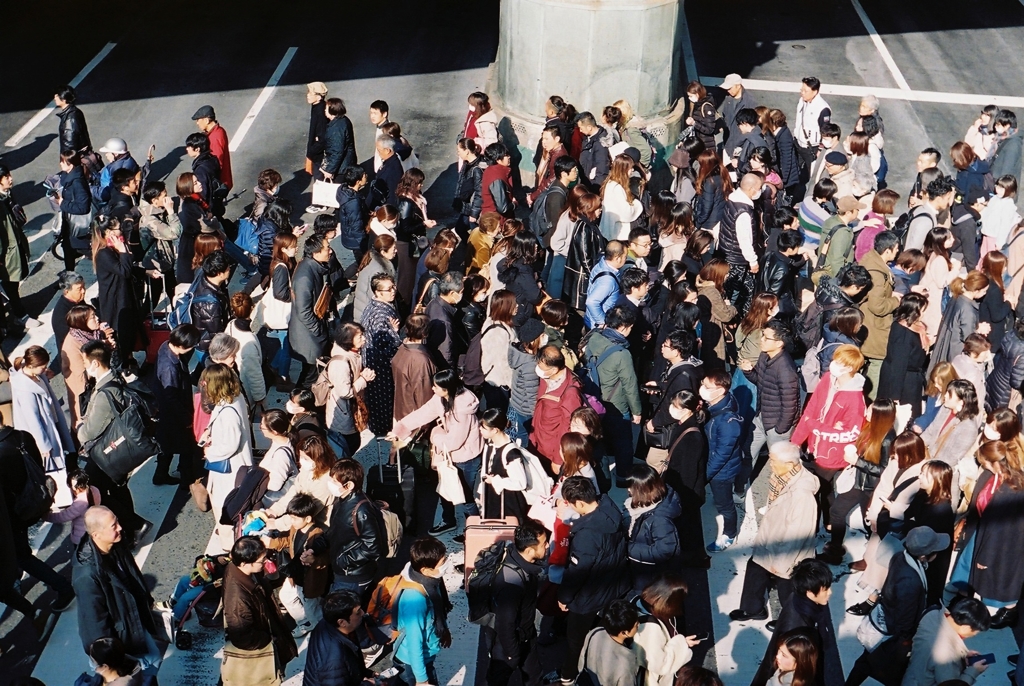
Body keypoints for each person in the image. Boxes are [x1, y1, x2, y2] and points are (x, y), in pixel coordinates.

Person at [845, 526, 950, 686]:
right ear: (923, 555)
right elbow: (905, 616)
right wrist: (906, 641)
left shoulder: (900, 557)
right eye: (935, 549)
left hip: (885, 621)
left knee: (867, 661)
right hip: (892, 633)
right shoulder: (909, 581)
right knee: (892, 672)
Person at [730, 442, 819, 622]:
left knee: (788, 586)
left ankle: (792, 621)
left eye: (773, 461)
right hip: (772, 538)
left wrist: (780, 563)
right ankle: (753, 608)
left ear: (789, 464)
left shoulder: (802, 495)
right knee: (755, 568)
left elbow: (798, 533)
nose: (770, 465)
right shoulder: (783, 476)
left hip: (786, 550)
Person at [389, 369, 483, 537]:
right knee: (445, 488)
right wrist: (399, 430)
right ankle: (449, 520)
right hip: (450, 454)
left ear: (447, 389)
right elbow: (423, 413)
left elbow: (454, 442)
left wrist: (435, 435)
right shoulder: (442, 398)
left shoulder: (462, 410)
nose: (433, 389)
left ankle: (473, 530)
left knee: (466, 496)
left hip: (466, 457)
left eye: (436, 387)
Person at [557, 476, 631, 683]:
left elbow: (577, 573)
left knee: (575, 641)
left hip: (589, 598)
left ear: (579, 503)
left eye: (571, 503)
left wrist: (564, 597)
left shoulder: (586, 535)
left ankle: (568, 676)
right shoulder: (610, 509)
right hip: (615, 587)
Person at [73, 507, 162, 673]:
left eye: (117, 522)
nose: (120, 527)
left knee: (154, 661)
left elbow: (133, 574)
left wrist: (146, 600)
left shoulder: (115, 544)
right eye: (113, 526)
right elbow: (94, 622)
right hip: (117, 642)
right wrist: (112, 659)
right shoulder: (87, 576)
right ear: (96, 535)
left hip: (130, 624)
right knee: (149, 667)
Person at [77, 341, 149, 536]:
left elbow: (90, 431)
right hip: (116, 447)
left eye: (85, 362)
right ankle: (131, 526)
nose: (84, 366)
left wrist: (79, 429)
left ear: (95, 363)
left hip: (105, 450)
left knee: (95, 492)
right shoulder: (114, 378)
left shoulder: (104, 392)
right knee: (117, 486)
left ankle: (134, 524)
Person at [792, 344, 867, 527]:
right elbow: (811, 410)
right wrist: (796, 441)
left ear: (849, 368)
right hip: (814, 446)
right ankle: (825, 522)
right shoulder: (827, 379)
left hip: (831, 454)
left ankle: (826, 523)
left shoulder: (855, 400)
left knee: (823, 491)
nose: (833, 364)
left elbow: (850, 434)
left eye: (838, 361)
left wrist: (815, 426)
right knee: (817, 489)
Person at [751, 559, 843, 686]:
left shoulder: (798, 599)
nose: (830, 593)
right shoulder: (797, 625)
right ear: (810, 592)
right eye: (825, 589)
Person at [221, 536, 297, 685]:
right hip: (263, 651)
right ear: (244, 563)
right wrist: (269, 640)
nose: (265, 563)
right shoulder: (237, 598)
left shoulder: (239, 570)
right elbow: (242, 637)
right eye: (261, 561)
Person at [482, 519, 548, 686]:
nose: (547, 546)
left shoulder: (519, 562)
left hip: (526, 634)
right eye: (544, 543)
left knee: (534, 677)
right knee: (498, 679)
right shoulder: (511, 584)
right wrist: (511, 653)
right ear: (529, 550)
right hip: (508, 643)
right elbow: (505, 623)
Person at [739, 319, 801, 494]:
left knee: (779, 468)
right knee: (747, 454)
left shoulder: (786, 369)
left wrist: (780, 429)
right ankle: (739, 489)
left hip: (776, 425)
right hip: (761, 417)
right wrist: (748, 371)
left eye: (766, 338)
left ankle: (778, 498)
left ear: (780, 343)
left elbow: (790, 405)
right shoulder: (765, 355)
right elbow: (761, 382)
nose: (762, 340)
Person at [585, 304, 643, 487]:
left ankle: (602, 478)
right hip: (616, 404)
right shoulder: (622, 354)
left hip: (593, 399)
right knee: (624, 443)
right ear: (624, 327)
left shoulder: (594, 337)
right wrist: (637, 411)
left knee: (599, 442)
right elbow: (630, 385)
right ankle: (623, 478)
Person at [200, 363, 254, 550]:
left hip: (229, 470)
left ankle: (229, 546)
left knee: (224, 507)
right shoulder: (235, 398)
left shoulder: (228, 411)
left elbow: (231, 444)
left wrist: (209, 452)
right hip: (235, 466)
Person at [392, 536, 453, 686]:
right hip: (412, 664)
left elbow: (436, 611)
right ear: (425, 569)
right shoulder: (415, 599)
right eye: (443, 562)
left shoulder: (427, 579)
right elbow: (414, 642)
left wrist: (444, 630)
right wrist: (422, 680)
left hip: (425, 656)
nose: (446, 564)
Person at [900, 597, 992, 686]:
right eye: (976, 631)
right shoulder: (946, 657)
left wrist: (962, 656)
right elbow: (952, 684)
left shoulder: (933, 614)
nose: (975, 634)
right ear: (965, 628)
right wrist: (972, 672)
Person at [702, 369, 744, 552]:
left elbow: (721, 455)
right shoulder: (718, 405)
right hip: (718, 467)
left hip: (722, 472)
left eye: (706, 386)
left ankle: (729, 534)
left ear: (720, 390)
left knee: (725, 505)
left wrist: (706, 475)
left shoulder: (728, 422)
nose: (701, 389)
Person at [625, 464, 682, 590]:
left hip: (650, 572)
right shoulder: (646, 502)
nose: (628, 490)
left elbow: (664, 550)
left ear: (642, 490)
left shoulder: (659, 519)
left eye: (632, 487)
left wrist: (630, 549)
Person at [302, 589, 373, 686]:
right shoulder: (334, 660)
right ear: (342, 622)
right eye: (357, 612)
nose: (363, 613)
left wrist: (367, 674)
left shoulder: (328, 623)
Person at [361, 273, 403, 438]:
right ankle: (384, 431)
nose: (393, 291)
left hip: (373, 363)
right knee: (383, 403)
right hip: (381, 368)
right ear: (377, 292)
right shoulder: (380, 315)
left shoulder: (374, 305)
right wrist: (395, 334)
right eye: (388, 289)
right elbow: (386, 347)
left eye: (393, 287)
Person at [290, 233, 333, 389]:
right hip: (308, 337)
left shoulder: (312, 267)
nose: (330, 251)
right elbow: (304, 311)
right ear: (315, 253)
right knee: (311, 375)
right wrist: (319, 331)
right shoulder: (305, 278)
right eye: (327, 248)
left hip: (310, 334)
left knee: (310, 372)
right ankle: (303, 405)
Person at [720, 173, 765, 316]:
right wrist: (753, 261)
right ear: (752, 189)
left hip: (728, 252)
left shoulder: (732, 200)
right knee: (735, 293)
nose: (760, 191)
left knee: (746, 289)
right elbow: (744, 239)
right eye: (759, 188)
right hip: (737, 258)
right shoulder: (744, 212)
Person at [576, 599, 642, 686]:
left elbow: (581, 662)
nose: (639, 625)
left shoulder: (595, 632)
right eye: (636, 625)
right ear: (624, 632)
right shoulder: (625, 662)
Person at [0, 166, 35, 328]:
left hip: (15, 244)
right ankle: (20, 315)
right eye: (6, 176)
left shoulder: (7, 196)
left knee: (13, 282)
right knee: (10, 283)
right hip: (6, 251)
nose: (10, 178)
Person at [392, 314, 437, 427]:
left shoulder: (403, 347)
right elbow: (423, 394)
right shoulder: (419, 359)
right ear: (424, 333)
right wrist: (427, 424)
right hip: (414, 416)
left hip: (401, 408)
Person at [424, 271, 466, 371]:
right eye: (461, 292)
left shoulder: (434, 302)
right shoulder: (445, 320)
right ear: (452, 293)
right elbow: (446, 351)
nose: (462, 295)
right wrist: (449, 374)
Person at [795, 77, 833, 180]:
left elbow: (825, 131)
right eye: (801, 90)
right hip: (798, 143)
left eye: (805, 91)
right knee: (796, 172)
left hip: (811, 148)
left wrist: (820, 149)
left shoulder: (822, 108)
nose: (802, 93)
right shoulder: (802, 101)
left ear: (815, 91)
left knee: (811, 175)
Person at [585, 239, 627, 328]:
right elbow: (591, 302)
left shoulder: (601, 264)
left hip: (590, 319)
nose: (625, 260)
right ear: (617, 258)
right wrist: (602, 321)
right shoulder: (608, 281)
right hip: (598, 326)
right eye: (625, 257)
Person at [320, 98, 357, 182]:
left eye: (326, 108)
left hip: (341, 168)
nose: (325, 110)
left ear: (332, 110)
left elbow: (337, 151)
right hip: (346, 164)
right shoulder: (343, 120)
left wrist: (330, 170)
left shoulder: (336, 128)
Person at [720, 74, 757, 149]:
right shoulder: (728, 99)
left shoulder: (750, 102)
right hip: (728, 143)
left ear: (738, 85)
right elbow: (725, 116)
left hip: (741, 146)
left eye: (730, 88)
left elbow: (752, 126)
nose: (728, 91)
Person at [185, 132, 221, 208]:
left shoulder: (200, 170)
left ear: (197, 149)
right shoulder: (211, 158)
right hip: (217, 199)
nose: (187, 149)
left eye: (189, 146)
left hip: (209, 205)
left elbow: (203, 192)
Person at [54, 84, 92, 154]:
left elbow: (69, 144)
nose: (55, 97)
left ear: (64, 99)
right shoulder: (76, 111)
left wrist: (66, 160)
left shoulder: (69, 118)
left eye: (57, 95)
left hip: (74, 159)